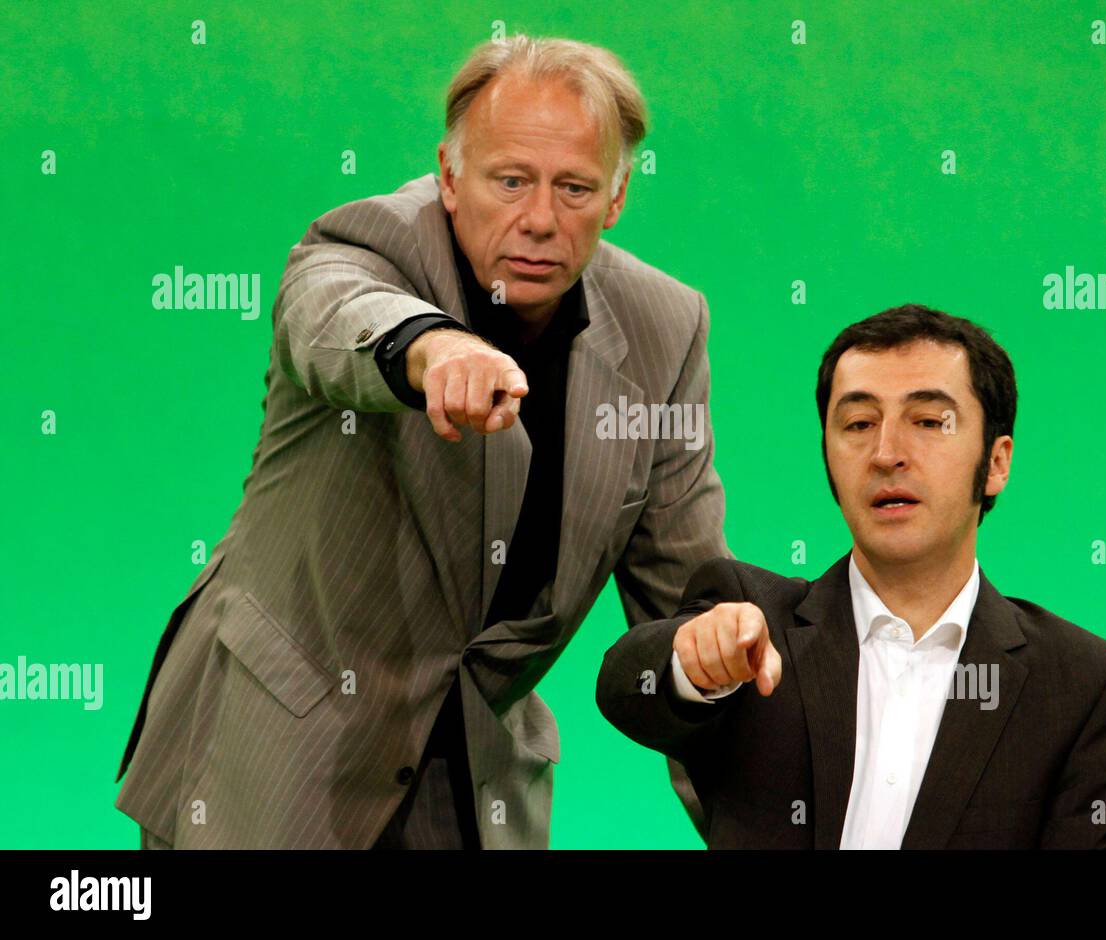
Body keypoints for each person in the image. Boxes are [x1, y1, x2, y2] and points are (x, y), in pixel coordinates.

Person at [116, 34, 728, 849]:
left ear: (616, 200)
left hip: (473, 783)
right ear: (448, 174)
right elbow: (332, 313)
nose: (540, 219)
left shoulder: (666, 326)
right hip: (271, 766)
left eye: (574, 188)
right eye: (509, 181)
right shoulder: (370, 242)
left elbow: (686, 617)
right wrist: (434, 349)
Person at [597, 304, 1106, 849]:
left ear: (996, 462)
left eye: (930, 421)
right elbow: (626, 686)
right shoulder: (754, 620)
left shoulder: (1082, 686)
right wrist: (691, 660)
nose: (887, 453)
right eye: (859, 423)